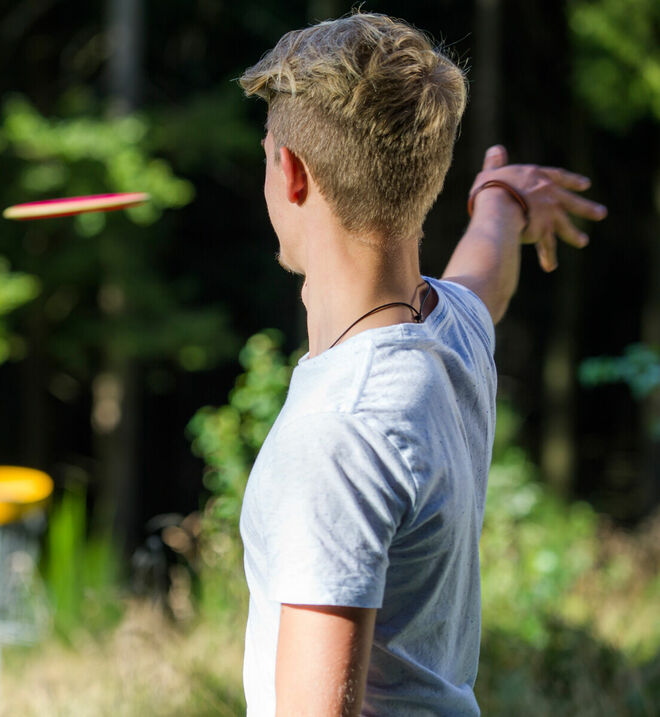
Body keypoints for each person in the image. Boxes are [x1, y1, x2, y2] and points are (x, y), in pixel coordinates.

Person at [237, 12, 606, 716]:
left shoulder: (339, 432)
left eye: (264, 154)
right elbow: (485, 274)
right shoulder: (449, 328)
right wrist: (501, 200)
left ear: (290, 174)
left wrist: (503, 204)